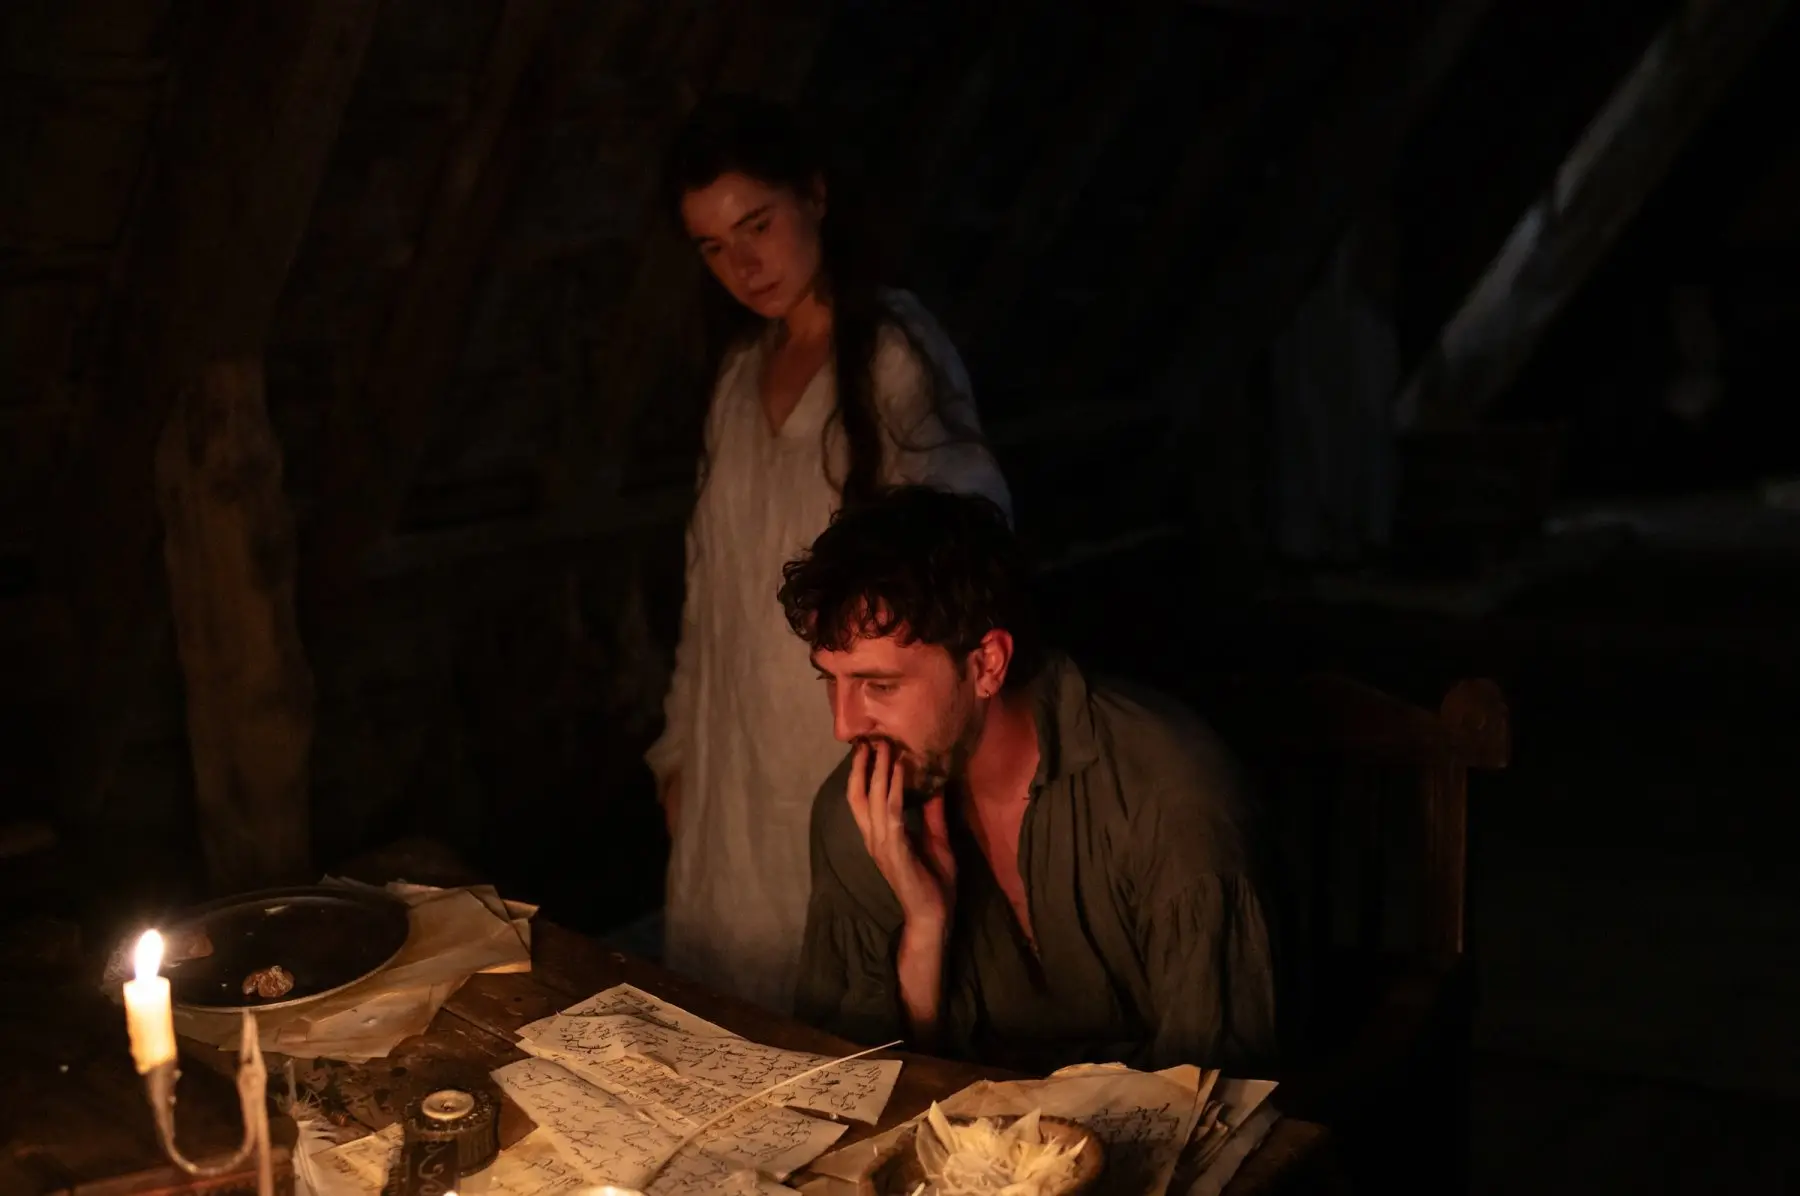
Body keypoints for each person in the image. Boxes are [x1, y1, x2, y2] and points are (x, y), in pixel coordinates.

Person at [644, 96, 1011, 1013]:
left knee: (839, 1012)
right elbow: (710, 586)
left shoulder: (889, 353)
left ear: (814, 196)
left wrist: (913, 758)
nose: (744, 265)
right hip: (732, 764)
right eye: (714, 246)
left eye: (757, 225)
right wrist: (680, 752)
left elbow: (965, 557)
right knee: (724, 1013)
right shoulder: (739, 377)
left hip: (843, 748)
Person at [781, 486, 1278, 1073]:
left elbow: (1217, 1091)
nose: (844, 726)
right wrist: (924, 935)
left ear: (987, 664)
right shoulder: (859, 813)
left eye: (880, 686)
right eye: (831, 681)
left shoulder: (1165, 797)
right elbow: (844, 1085)